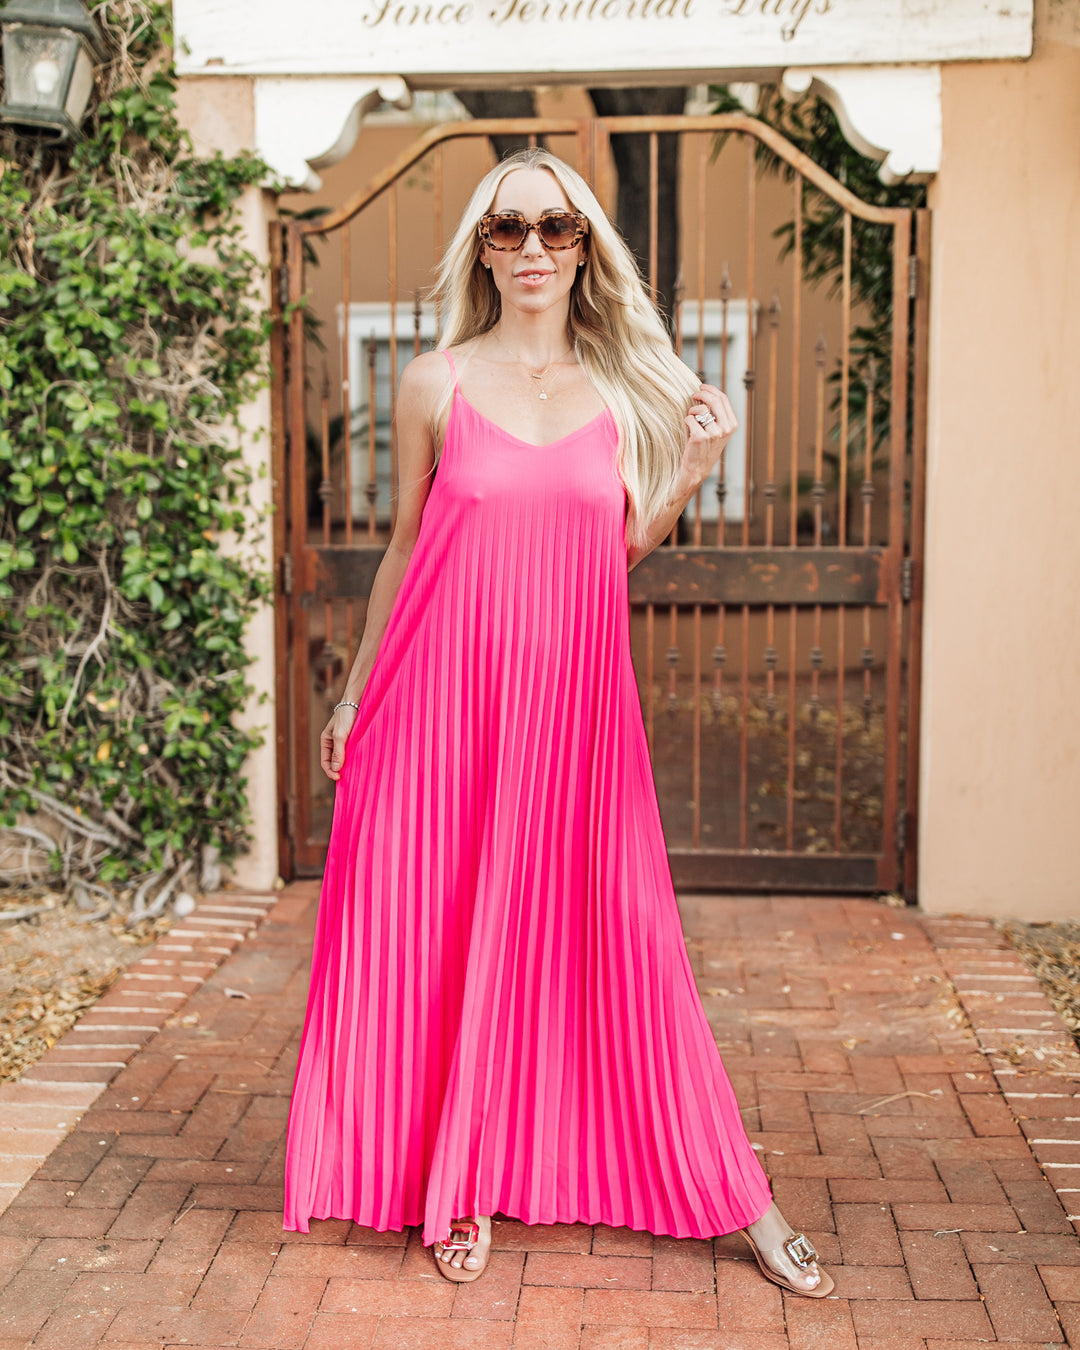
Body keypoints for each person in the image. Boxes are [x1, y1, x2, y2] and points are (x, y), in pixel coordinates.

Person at [282, 147, 834, 1299]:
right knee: (444, 936)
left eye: (557, 226)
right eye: (508, 227)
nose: (532, 246)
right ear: (483, 253)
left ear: (586, 248)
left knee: (627, 937)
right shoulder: (432, 384)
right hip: (439, 708)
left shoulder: (622, 391)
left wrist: (694, 468)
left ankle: (739, 1193)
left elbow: (608, 550)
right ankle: (456, 1181)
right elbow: (404, 552)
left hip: (574, 714)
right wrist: (353, 693)